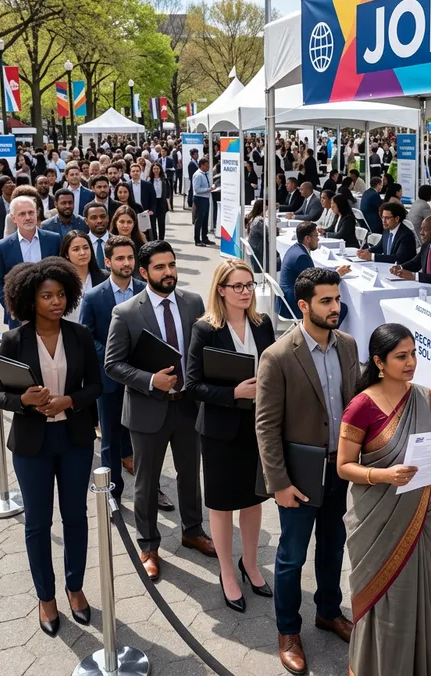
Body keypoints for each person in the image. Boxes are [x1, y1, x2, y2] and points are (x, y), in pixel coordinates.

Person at [255, 268, 360, 674]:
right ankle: (288, 631)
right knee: (292, 555)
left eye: (337, 299)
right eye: (326, 301)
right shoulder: (278, 356)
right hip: (299, 476)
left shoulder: (348, 346)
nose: (336, 307)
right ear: (303, 305)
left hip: (340, 469)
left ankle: (329, 612)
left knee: (333, 545)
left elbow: (357, 405)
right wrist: (278, 483)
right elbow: (265, 426)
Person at [0, 258, 102, 636]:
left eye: (60, 295)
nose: (55, 302)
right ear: (29, 299)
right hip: (32, 445)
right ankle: (46, 597)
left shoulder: (80, 335)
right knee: (38, 524)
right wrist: (25, 400)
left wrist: (68, 401)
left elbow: (95, 386)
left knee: (76, 517)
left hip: (74, 440)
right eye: (46, 296)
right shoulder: (13, 340)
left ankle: (75, 588)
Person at [338, 324, 431, 674]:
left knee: (414, 597)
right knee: (380, 599)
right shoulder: (361, 407)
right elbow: (344, 467)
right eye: (401, 356)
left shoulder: (429, 400)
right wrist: (384, 475)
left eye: (414, 354)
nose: (411, 362)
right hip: (375, 519)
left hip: (418, 512)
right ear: (379, 361)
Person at [105, 241, 214, 581]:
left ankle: (192, 530)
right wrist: (151, 380)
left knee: (189, 474)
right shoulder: (126, 313)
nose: (168, 272)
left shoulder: (193, 302)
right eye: (159, 267)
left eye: (172, 265)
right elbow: (112, 365)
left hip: (187, 407)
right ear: (143, 272)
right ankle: (149, 544)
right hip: (146, 410)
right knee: (147, 480)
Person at [186, 260, 275, 612]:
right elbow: (192, 385)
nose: (245, 292)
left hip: (259, 427)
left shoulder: (262, 323)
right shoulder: (204, 329)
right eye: (237, 286)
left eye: (249, 285)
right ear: (220, 289)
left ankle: (250, 563)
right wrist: (234, 393)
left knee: (253, 500)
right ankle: (226, 570)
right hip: (221, 430)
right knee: (222, 504)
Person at [80, 236, 144, 503]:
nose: (126, 262)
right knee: (110, 440)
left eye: (130, 257)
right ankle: (112, 493)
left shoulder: (145, 290)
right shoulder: (94, 297)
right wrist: (115, 356)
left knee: (143, 439)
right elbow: (87, 334)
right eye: (119, 258)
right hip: (109, 379)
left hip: (142, 378)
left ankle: (149, 491)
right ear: (107, 262)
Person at [0, 197, 62, 327]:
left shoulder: (53, 240)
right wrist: (11, 307)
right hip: (20, 313)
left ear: (37, 213)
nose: (28, 217)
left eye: (31, 212)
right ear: (13, 218)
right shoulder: (3, 246)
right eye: (22, 214)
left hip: (51, 309)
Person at [279, 222, 350, 319]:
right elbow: (315, 283)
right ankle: (321, 334)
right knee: (340, 308)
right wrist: (337, 274)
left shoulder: (296, 249)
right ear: (307, 238)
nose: (318, 239)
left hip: (289, 300)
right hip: (293, 305)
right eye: (316, 236)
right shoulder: (301, 257)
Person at [59, 230, 108, 322]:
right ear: (66, 254)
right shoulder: (60, 281)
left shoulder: (105, 278)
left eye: (86, 248)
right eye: (76, 249)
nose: (82, 253)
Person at [245, 199, 279, 274]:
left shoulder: (254, 218)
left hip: (256, 248)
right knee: (279, 257)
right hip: (260, 250)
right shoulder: (258, 221)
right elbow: (270, 234)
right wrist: (274, 224)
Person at [191, 156, 214, 248]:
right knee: (199, 220)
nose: (208, 167)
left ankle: (204, 237)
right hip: (199, 199)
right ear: (201, 165)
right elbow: (197, 189)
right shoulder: (198, 175)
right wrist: (208, 189)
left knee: (205, 219)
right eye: (206, 165)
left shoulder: (205, 174)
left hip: (205, 198)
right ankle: (197, 239)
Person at [148, 162, 169, 240]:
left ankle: (161, 239)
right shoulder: (149, 180)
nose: (156, 170)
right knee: (152, 224)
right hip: (153, 203)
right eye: (154, 169)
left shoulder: (164, 180)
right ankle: (154, 239)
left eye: (157, 169)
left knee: (161, 223)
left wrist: (168, 205)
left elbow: (168, 193)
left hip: (161, 203)